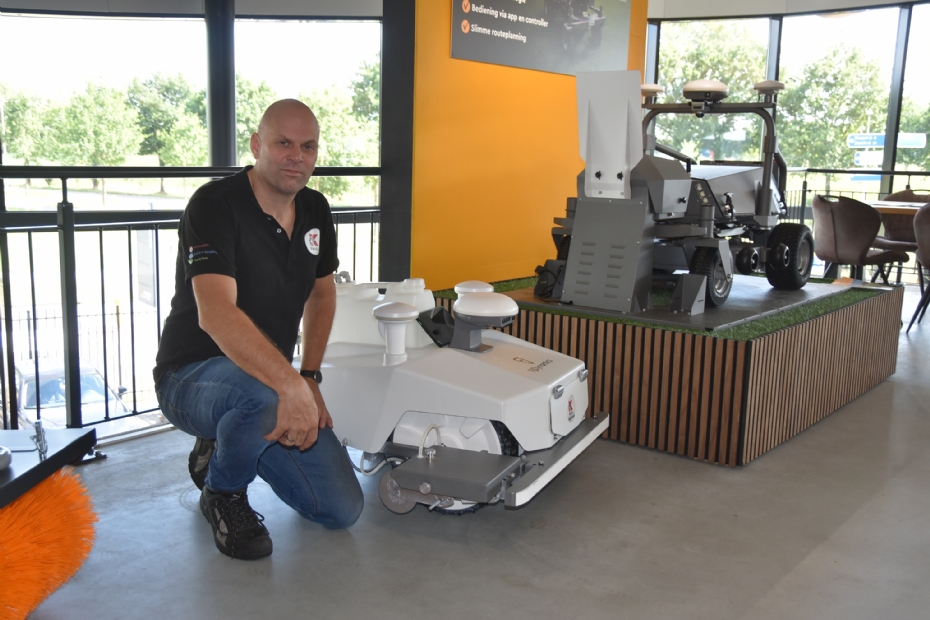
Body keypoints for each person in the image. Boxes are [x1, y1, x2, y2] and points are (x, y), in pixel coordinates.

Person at [153, 99, 363, 560]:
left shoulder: (315, 209)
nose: (296, 156)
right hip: (189, 376)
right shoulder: (215, 204)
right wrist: (289, 385)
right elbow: (216, 314)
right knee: (262, 397)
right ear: (256, 145)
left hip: (264, 382)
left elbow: (322, 295)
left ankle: (227, 439)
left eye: (308, 146)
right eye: (283, 143)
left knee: (341, 509)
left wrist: (308, 376)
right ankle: (223, 492)